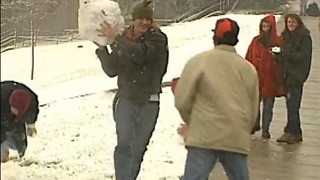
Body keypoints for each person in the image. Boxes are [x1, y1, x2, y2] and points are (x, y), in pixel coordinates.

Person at [174, 18, 259, 180]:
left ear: (215, 37)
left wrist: (192, 122)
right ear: (236, 39)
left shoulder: (199, 61)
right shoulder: (248, 68)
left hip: (204, 135)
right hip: (235, 135)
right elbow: (253, 108)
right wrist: (242, 128)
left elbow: (182, 100)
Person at [95, 0, 169, 179]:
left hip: (149, 102)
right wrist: (102, 47)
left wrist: (117, 39)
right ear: (133, 20)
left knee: (137, 149)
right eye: (140, 18)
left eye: (147, 19)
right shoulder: (124, 40)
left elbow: (141, 54)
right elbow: (112, 70)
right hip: (126, 100)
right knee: (124, 145)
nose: (144, 22)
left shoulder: (158, 39)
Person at [245, 14, 286, 139]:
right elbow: (249, 57)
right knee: (254, 103)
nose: (265, 29)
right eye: (263, 26)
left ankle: (266, 129)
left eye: (267, 26)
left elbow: (283, 60)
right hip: (257, 77)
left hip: (271, 77)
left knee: (268, 105)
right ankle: (254, 124)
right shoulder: (256, 41)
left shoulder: (278, 42)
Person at [276, 14, 312, 144]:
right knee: (290, 104)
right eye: (289, 22)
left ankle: (293, 132)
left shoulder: (304, 38)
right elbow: (284, 54)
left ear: (298, 23)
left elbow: (302, 56)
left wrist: (285, 53)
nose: (290, 24)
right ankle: (292, 130)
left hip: (296, 76)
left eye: (293, 22)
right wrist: (278, 54)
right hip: (286, 75)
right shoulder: (285, 36)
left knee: (293, 105)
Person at [1, 80, 39, 162]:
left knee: (20, 140)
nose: (12, 110)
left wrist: (31, 125)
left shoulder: (31, 101)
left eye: (15, 108)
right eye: (12, 106)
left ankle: (20, 154)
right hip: (2, 104)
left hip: (17, 107)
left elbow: (32, 113)